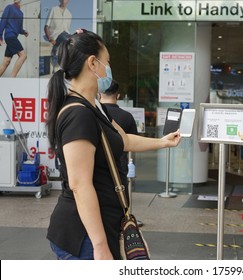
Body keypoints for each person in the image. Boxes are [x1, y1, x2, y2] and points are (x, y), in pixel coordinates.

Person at [45, 29, 181, 260]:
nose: (109, 69)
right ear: (92, 63)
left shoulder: (95, 108)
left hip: (101, 227)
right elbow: (80, 185)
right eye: (106, 62)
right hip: (83, 236)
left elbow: (124, 140)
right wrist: (99, 246)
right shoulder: (78, 114)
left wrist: (162, 142)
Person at [99, 79, 138, 172]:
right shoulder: (127, 116)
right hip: (120, 166)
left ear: (99, 94)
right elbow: (134, 141)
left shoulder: (93, 114)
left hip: (97, 166)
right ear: (118, 96)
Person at [0, 0, 28, 77]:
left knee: (6, 61)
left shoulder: (21, 13)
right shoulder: (9, 7)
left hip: (13, 37)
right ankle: (12, 79)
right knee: (23, 56)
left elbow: (19, 29)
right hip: (9, 36)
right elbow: (3, 20)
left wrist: (24, 32)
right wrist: (0, 35)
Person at [44, 0, 72, 73]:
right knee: (69, 41)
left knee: (75, 39)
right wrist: (50, 38)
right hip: (55, 36)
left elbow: (66, 30)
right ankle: (59, 68)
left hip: (65, 36)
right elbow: (46, 27)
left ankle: (62, 67)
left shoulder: (69, 14)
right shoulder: (54, 9)